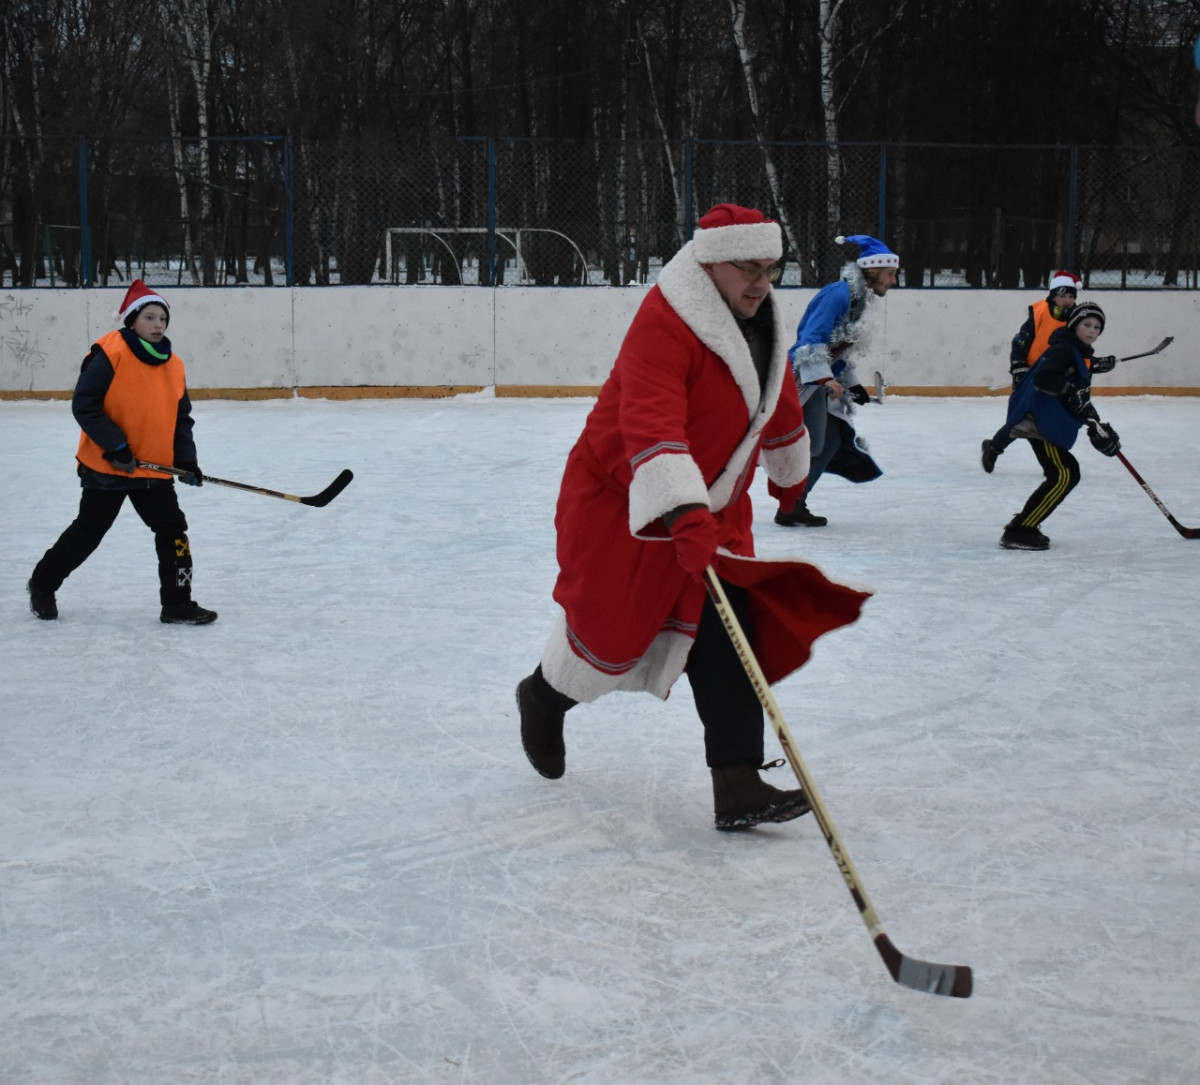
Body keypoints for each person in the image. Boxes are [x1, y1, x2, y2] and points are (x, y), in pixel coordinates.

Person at [513, 204, 868, 831]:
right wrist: (680, 510)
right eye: (748, 269)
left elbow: (774, 389)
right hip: (626, 498)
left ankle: (737, 784)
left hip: (714, 501)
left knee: (729, 632)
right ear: (710, 264)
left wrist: (790, 470)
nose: (761, 282)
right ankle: (543, 697)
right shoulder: (665, 321)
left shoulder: (761, 313)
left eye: (770, 268)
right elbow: (650, 423)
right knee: (611, 634)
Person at [27, 280, 217, 624]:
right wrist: (115, 446)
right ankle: (42, 584)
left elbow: (180, 419)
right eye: (149, 317)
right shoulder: (109, 353)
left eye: (162, 318)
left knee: (173, 533)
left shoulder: (173, 364)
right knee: (89, 531)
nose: (158, 324)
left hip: (155, 469)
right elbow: (85, 405)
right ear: (132, 320)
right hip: (108, 466)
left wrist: (186, 461)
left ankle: (177, 603)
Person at [774, 233, 894, 528]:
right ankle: (789, 504)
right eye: (890, 274)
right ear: (873, 270)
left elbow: (837, 347)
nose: (893, 281)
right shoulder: (839, 295)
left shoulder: (857, 300)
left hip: (819, 377)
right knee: (816, 444)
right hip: (805, 377)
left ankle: (793, 504)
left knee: (831, 441)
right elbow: (810, 339)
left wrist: (851, 383)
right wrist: (826, 380)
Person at [994, 300, 1121, 550]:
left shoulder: (1079, 353)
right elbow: (1044, 378)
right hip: (1040, 422)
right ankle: (1019, 530)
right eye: (1087, 324)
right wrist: (1068, 390)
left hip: (1049, 421)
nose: (1092, 330)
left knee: (1063, 473)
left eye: (1097, 326)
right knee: (1064, 474)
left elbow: (1078, 395)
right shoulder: (1064, 350)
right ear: (1074, 325)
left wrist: (1096, 425)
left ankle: (1024, 525)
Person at [981, 270, 1114, 472]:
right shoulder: (1040, 313)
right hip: (1035, 377)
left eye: (1072, 296)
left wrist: (1093, 363)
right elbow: (1021, 342)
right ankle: (994, 447)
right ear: (1053, 295)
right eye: (1063, 296)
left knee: (1054, 422)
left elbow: (1078, 355)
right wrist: (1019, 367)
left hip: (1058, 380)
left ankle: (1051, 462)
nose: (1068, 301)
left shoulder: (1078, 319)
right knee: (1023, 421)